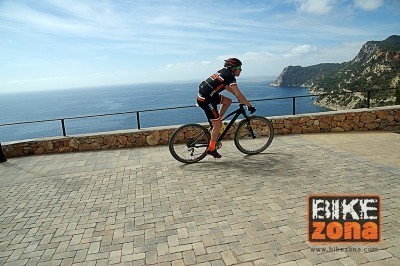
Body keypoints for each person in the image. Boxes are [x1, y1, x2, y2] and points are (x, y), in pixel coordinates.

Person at [197, 58, 256, 158]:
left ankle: (217, 120)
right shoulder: (229, 76)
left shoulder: (223, 72)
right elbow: (238, 93)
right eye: (239, 68)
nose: (241, 70)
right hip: (206, 100)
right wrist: (248, 105)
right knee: (217, 125)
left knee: (228, 101)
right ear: (233, 68)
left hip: (208, 95)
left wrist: (234, 93)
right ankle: (211, 148)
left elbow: (224, 86)